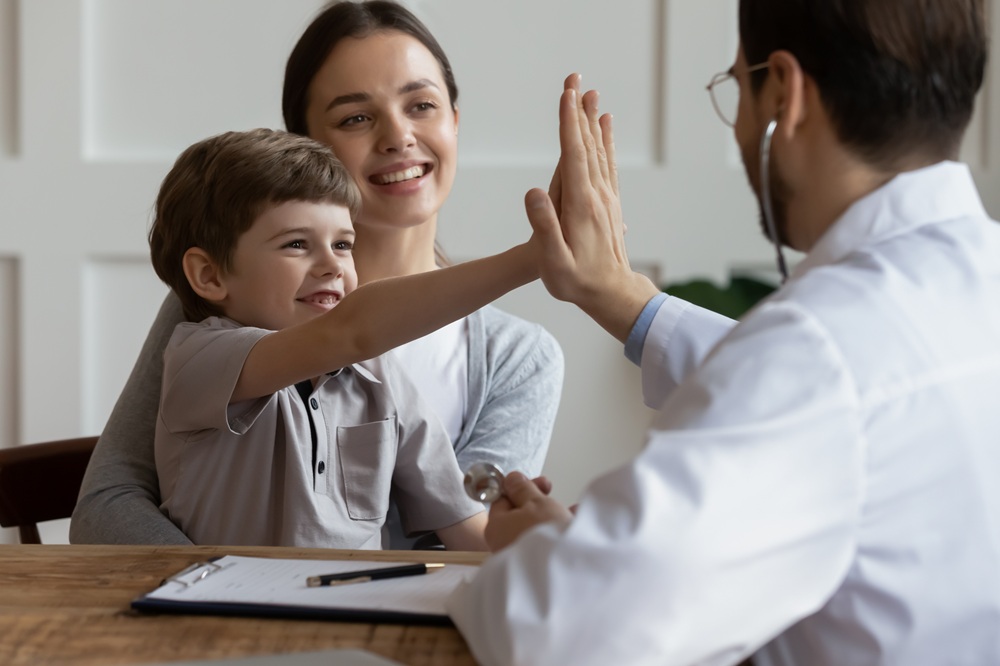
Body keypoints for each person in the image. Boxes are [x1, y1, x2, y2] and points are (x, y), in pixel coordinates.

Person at [447, 1, 1000, 664]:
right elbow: (873, 404)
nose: (739, 122)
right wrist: (622, 298)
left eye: (738, 86)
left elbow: (556, 631)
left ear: (786, 93)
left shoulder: (817, 355)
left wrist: (540, 554)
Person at [70, 0, 563, 547]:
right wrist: (220, 602)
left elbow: (472, 535)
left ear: (454, 119)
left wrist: (564, 543)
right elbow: (352, 332)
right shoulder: (215, 319)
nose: (398, 137)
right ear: (304, 142)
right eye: (355, 116)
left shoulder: (506, 361)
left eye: (421, 104)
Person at [151, 127, 541, 548]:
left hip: (359, 607)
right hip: (222, 610)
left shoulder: (381, 376)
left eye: (342, 244)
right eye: (297, 244)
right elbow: (350, 332)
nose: (331, 266)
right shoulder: (199, 358)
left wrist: (542, 543)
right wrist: (535, 258)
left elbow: (465, 529)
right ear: (209, 275)